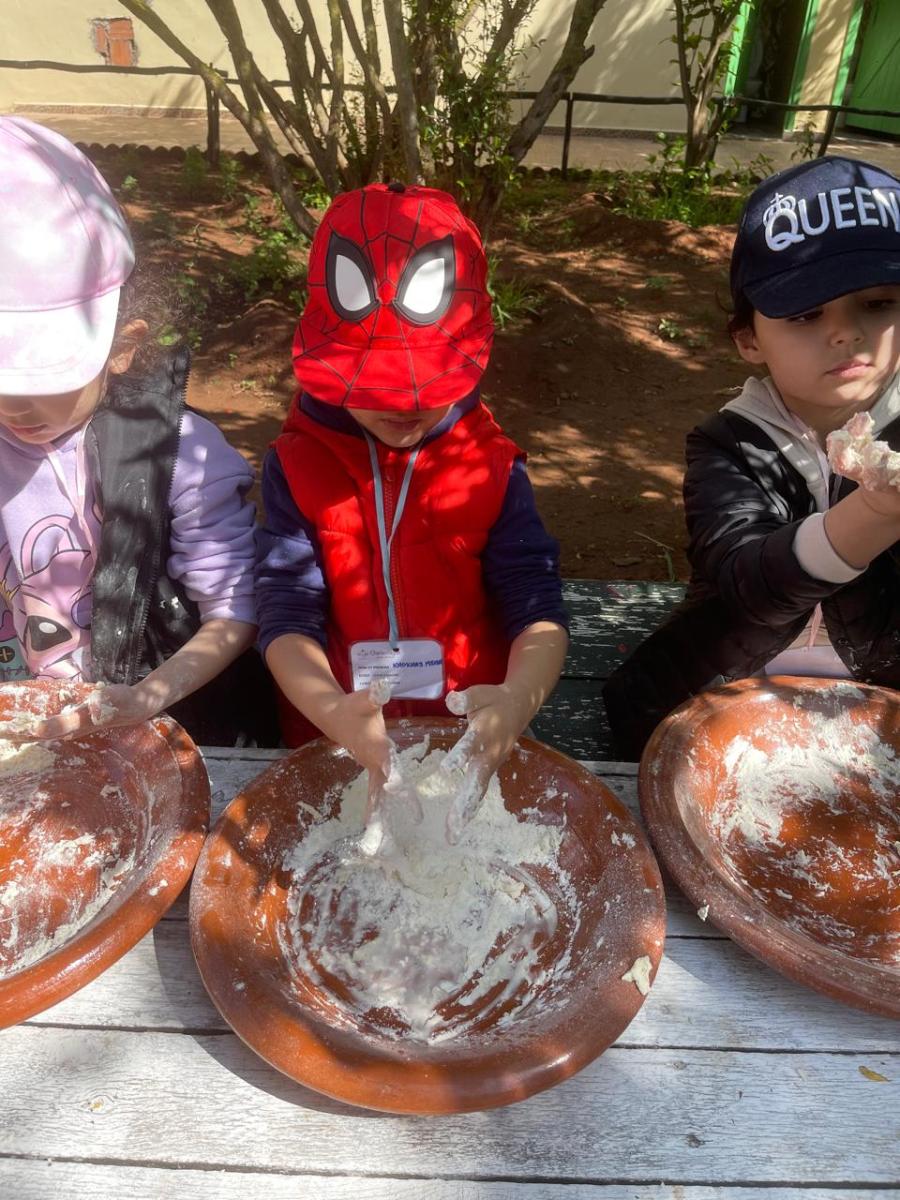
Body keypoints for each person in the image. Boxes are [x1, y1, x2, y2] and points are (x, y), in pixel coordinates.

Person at [256, 182, 568, 828]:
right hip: (336, 732)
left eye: (423, 387)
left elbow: (536, 607)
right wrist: (333, 712)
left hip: (467, 732)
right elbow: (287, 616)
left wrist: (515, 701)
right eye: (379, 388)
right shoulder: (296, 464)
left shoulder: (490, 467)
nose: (405, 408)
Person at [604, 155, 900, 761]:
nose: (845, 332)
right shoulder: (728, 445)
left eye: (877, 304)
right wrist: (875, 514)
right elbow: (747, 586)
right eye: (806, 313)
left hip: (880, 713)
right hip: (722, 694)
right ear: (748, 339)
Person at [0, 115, 278, 746]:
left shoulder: (179, 455)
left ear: (122, 346)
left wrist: (151, 696)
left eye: (42, 373)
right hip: (29, 724)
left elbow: (234, 609)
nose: (14, 404)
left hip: (166, 717)